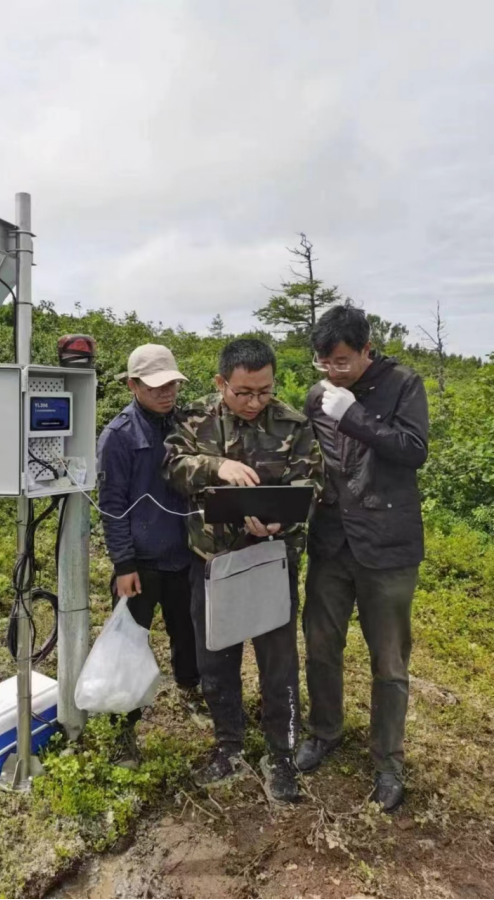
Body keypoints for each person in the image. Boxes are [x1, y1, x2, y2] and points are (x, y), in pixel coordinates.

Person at [164, 338, 321, 802]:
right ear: (221, 383)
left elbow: (311, 482)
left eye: (265, 391)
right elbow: (172, 467)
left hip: (272, 562)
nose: (255, 402)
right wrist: (218, 466)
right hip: (214, 563)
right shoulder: (193, 419)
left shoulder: (293, 423)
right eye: (243, 392)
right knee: (216, 659)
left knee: (279, 664)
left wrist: (282, 519)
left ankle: (281, 754)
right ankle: (228, 745)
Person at [296, 304, 429, 813]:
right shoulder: (316, 396)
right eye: (324, 362)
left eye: (343, 361)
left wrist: (353, 413)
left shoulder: (403, 384)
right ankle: (324, 732)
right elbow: (309, 459)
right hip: (331, 543)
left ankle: (388, 760)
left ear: (366, 350)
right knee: (322, 645)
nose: (332, 371)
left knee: (389, 661)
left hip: (388, 547)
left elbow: (413, 450)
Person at [96, 343, 206, 768]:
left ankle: (190, 690)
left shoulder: (186, 424)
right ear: (133, 385)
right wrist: (123, 564)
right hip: (140, 564)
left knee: (189, 632)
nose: (167, 393)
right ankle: (123, 725)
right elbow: (111, 503)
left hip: (185, 555)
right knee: (129, 642)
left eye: (172, 385)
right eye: (156, 386)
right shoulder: (120, 437)